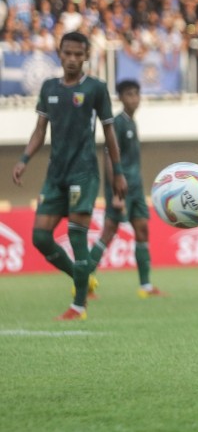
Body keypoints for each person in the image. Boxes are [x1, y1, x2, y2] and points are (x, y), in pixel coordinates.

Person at [11, 31, 128, 321]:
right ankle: (83, 276)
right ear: (59, 54)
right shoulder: (49, 87)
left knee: (77, 239)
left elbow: (109, 131)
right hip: (55, 175)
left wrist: (118, 172)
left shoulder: (95, 89)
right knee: (40, 237)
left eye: (79, 54)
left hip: (83, 174)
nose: (73, 59)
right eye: (68, 53)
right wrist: (24, 159)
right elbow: (40, 130)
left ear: (87, 55)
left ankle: (79, 306)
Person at [89, 79, 168, 299]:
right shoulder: (118, 123)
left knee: (142, 230)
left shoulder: (132, 123)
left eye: (136, 94)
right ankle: (84, 283)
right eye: (129, 94)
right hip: (121, 190)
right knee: (108, 233)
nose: (134, 98)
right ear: (121, 98)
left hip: (136, 188)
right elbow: (108, 158)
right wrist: (116, 193)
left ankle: (145, 286)